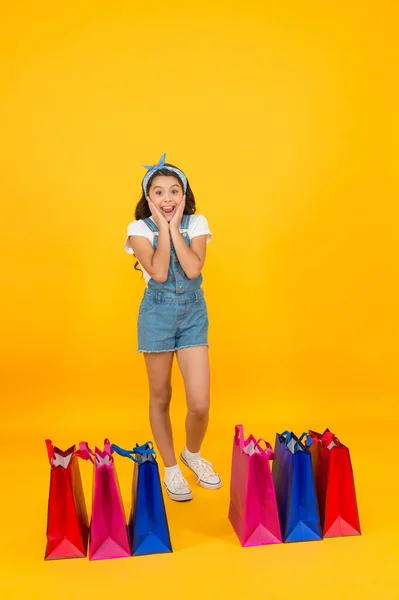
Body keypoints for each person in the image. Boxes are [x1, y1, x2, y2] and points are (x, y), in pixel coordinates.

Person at [124, 153, 221, 501]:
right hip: (157, 315)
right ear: (148, 198)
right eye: (159, 192)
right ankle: (171, 469)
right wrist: (163, 228)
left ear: (184, 195)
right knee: (161, 395)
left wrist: (176, 226)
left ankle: (191, 454)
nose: (167, 199)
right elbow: (161, 272)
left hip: (193, 314)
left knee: (199, 402)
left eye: (174, 191)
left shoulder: (197, 224)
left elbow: (193, 269)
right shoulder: (138, 229)